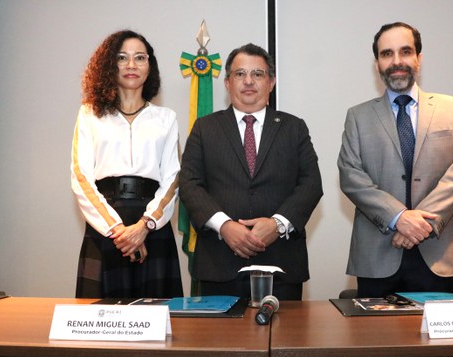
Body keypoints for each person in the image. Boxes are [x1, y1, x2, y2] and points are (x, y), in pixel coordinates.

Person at [338, 22, 453, 298]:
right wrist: (398, 217)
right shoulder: (358, 116)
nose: (397, 61)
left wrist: (418, 223)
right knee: (378, 341)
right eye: (387, 54)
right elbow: (350, 175)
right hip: (378, 260)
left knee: (447, 342)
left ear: (419, 59)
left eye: (405, 51)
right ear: (377, 64)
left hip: (444, 257)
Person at [179, 43, 323, 300]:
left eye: (257, 74)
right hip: (218, 264)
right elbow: (190, 184)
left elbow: (311, 184)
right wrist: (224, 226)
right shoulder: (205, 128)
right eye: (239, 74)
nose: (248, 81)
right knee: (221, 341)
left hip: (281, 264)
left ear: (271, 82)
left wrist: (277, 225)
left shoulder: (294, 127)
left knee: (282, 339)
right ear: (227, 82)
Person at [71, 30, 183, 298]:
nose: (131, 65)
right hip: (105, 226)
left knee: (160, 326)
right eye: (122, 57)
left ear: (149, 66)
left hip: (153, 226)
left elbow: (173, 179)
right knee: (100, 329)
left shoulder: (165, 118)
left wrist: (144, 227)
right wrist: (118, 231)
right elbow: (81, 177)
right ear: (110, 65)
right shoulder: (89, 114)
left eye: (140, 58)